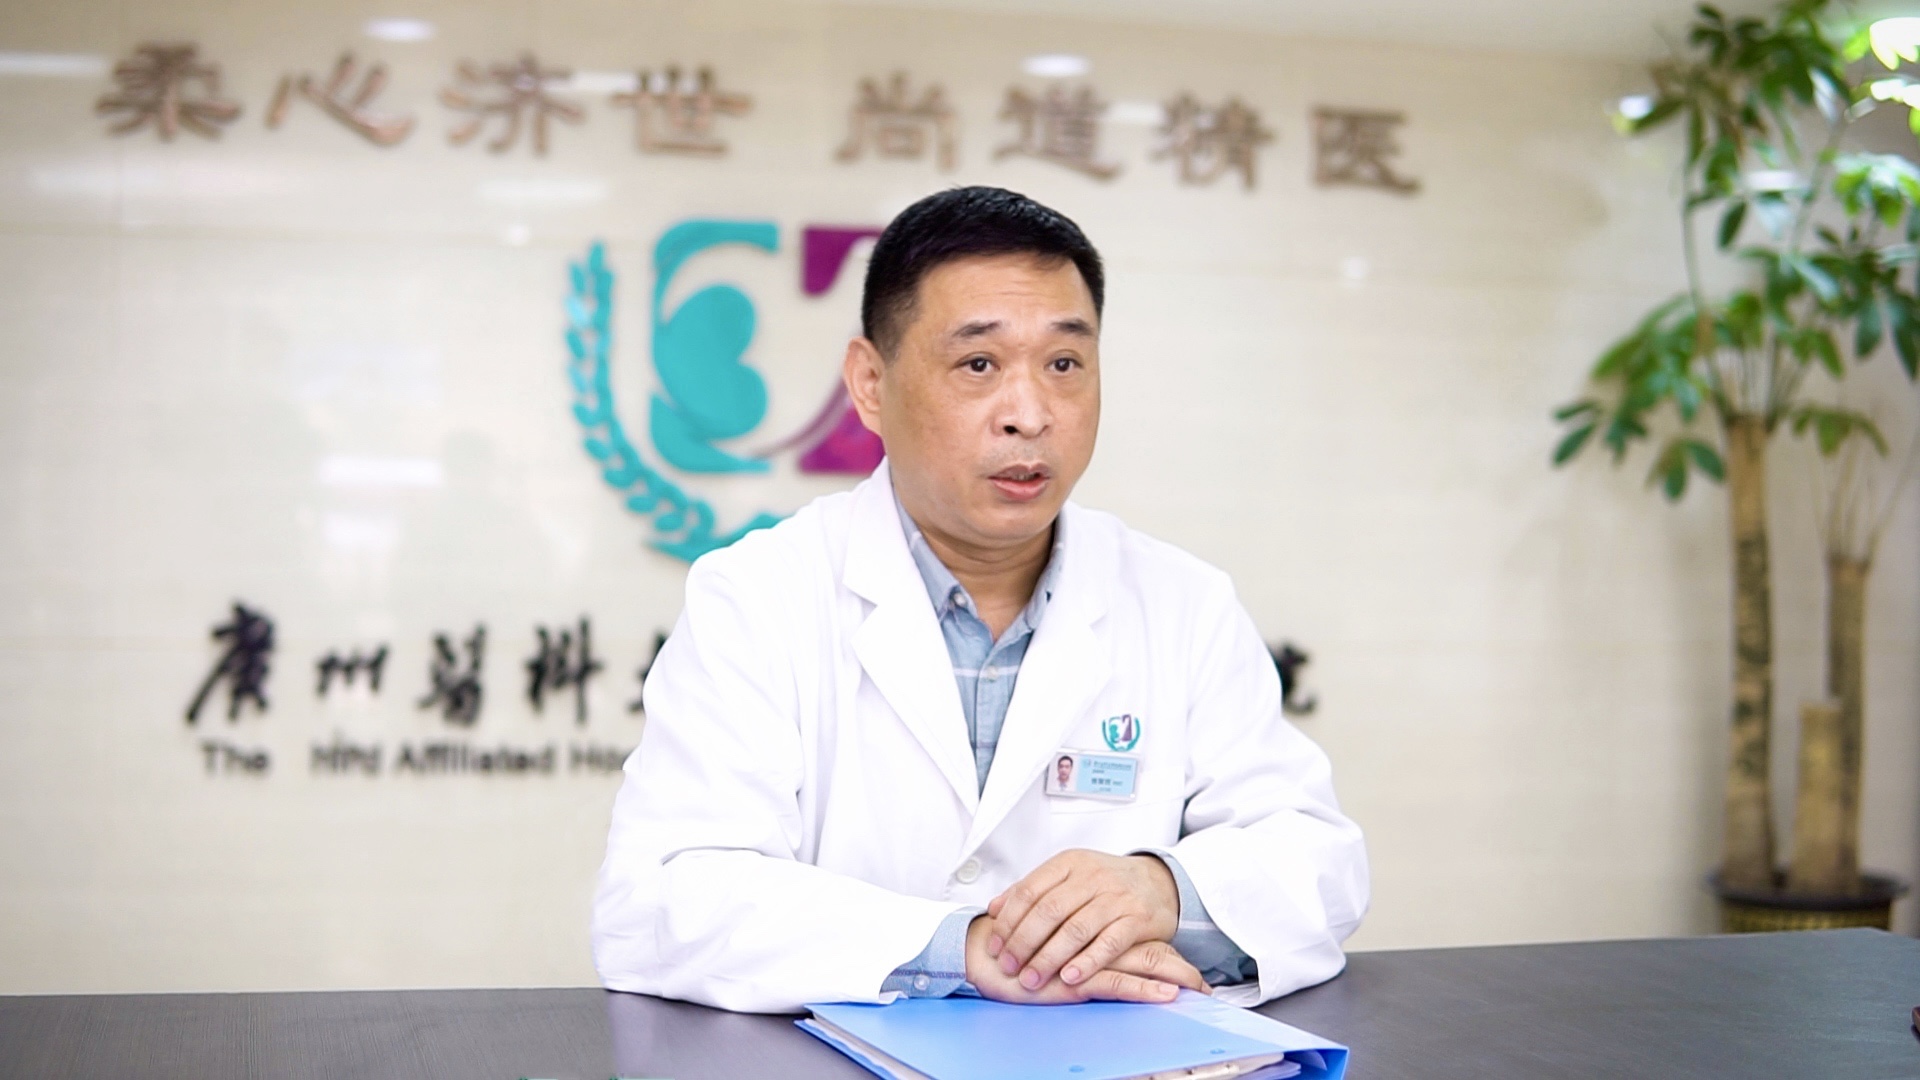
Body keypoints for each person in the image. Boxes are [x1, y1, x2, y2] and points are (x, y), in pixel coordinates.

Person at [592, 186, 1368, 1014]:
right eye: (978, 365)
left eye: (1064, 364)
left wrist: (1163, 888)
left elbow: (1318, 863)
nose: (1029, 415)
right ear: (870, 384)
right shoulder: (757, 597)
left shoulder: (1184, 603)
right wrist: (962, 948)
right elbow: (665, 899)